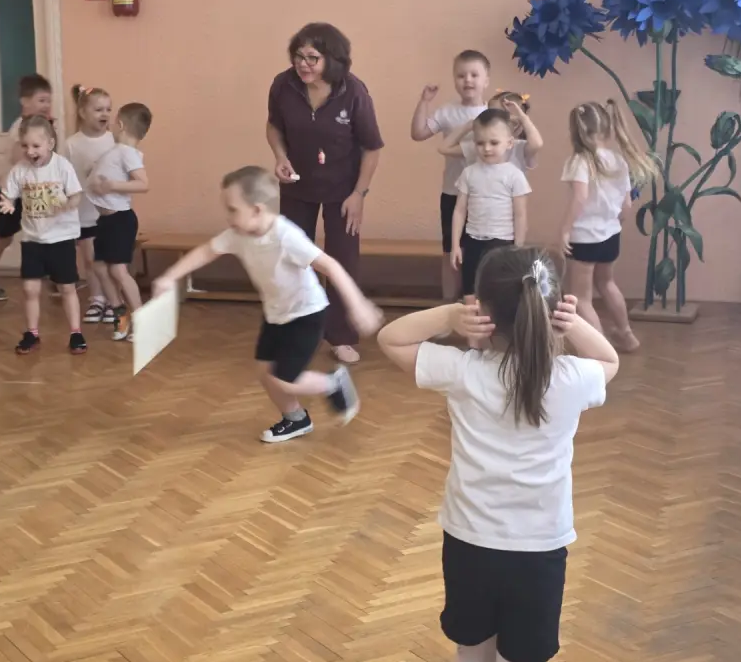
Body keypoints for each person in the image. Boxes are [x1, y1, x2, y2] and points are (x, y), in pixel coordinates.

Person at [377, 246, 618, 662]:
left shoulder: (464, 371)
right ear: (550, 311)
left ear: (483, 310)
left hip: (469, 544)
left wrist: (448, 317)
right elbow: (609, 360)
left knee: (473, 656)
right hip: (539, 555)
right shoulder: (571, 378)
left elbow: (390, 339)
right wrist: (574, 324)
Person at [153, 166, 383, 443]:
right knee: (265, 372)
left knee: (284, 378)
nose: (228, 217)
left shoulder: (285, 236)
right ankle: (296, 419)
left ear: (257, 210)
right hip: (275, 314)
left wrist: (357, 304)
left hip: (306, 315)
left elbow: (330, 266)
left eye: (232, 209)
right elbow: (206, 252)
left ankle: (333, 384)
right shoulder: (238, 234)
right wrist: (169, 277)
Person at [266, 23, 383, 365]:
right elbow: (273, 126)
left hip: (344, 190)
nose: (303, 64)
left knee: (342, 260)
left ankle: (341, 336)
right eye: (298, 56)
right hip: (297, 185)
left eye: (312, 58)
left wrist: (359, 194)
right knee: (292, 257)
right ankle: (295, 332)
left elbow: (372, 147)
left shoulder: (354, 91)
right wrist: (280, 157)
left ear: (332, 59)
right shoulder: (283, 85)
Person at [558, 99, 656, 351]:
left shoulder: (579, 161)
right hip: (610, 235)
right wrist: (614, 223)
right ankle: (626, 334)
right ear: (608, 129)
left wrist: (565, 230)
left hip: (585, 238)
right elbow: (627, 204)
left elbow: (580, 197)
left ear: (575, 131)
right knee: (607, 284)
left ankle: (601, 350)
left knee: (580, 298)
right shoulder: (618, 160)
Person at [0, 116, 86, 354]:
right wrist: (8, 203)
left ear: (50, 143)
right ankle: (32, 333)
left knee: (67, 288)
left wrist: (67, 205)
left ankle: (76, 333)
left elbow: (76, 195)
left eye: (36, 146)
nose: (30, 151)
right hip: (32, 240)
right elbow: (9, 194)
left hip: (61, 239)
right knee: (30, 289)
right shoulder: (20, 170)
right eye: (25, 146)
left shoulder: (62, 166)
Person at [410, 51, 491, 301]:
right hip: (453, 193)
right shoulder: (447, 112)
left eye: (474, 75)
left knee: (482, 253)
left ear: (486, 80)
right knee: (451, 251)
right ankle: (447, 306)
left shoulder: (493, 112)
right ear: (454, 79)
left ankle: (479, 306)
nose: (468, 80)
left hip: (487, 196)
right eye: (461, 75)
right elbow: (418, 133)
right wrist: (424, 101)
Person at [0, 74, 53, 302]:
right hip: (10, 193)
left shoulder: (41, 127)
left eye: (48, 100)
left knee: (46, 230)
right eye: (41, 100)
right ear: (24, 101)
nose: (46, 105)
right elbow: (19, 158)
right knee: (5, 237)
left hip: (31, 191)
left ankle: (56, 277)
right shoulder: (21, 128)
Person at [86, 102, 152, 342]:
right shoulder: (119, 151)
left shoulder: (127, 152)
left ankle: (143, 321)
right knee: (100, 267)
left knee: (117, 270)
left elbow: (143, 184)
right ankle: (119, 312)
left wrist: (112, 185)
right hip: (106, 221)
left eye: (114, 121)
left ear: (121, 125)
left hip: (120, 221)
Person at [451, 109, 531, 297]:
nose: (486, 148)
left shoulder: (515, 175)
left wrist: (518, 248)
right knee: (470, 290)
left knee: (498, 293)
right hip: (472, 241)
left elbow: (520, 215)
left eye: (494, 143)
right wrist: (455, 245)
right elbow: (460, 211)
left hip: (502, 243)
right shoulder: (469, 173)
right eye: (480, 143)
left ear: (509, 143)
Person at [64, 85, 116, 324]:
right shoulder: (71, 144)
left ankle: (113, 300)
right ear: (83, 112)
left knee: (109, 259)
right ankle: (97, 298)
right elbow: (64, 175)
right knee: (90, 259)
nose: (104, 114)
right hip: (84, 211)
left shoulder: (114, 140)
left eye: (108, 109)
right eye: (98, 109)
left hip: (109, 211)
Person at [438, 90, 543, 177]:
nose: (489, 118)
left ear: (515, 123)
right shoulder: (482, 147)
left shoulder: (520, 149)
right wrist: (468, 126)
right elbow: (444, 148)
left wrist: (522, 117)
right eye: (488, 112)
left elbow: (537, 144)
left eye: (495, 116)